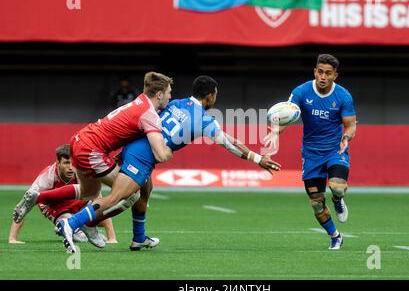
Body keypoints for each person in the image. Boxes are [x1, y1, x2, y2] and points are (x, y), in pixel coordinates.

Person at [90, 75, 282, 251]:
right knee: (120, 197)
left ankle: (139, 238)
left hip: (135, 147)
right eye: (215, 94)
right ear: (209, 96)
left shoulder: (175, 103)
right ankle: (80, 223)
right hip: (145, 155)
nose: (216, 98)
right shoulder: (205, 120)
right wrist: (258, 158)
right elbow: (230, 143)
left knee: (146, 190)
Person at [13, 71, 174, 252]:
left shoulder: (139, 101)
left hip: (80, 139)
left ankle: (38, 197)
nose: (170, 96)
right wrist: (174, 147)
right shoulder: (149, 114)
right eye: (169, 92)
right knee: (132, 194)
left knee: (89, 193)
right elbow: (160, 154)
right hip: (92, 150)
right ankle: (85, 224)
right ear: (159, 94)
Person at [264, 54, 357, 250]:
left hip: (334, 149)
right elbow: (287, 116)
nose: (323, 76)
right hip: (311, 153)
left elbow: (350, 125)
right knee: (316, 203)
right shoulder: (301, 91)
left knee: (338, 187)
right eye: (320, 72)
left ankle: (338, 200)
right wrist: (275, 131)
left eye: (328, 73)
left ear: (335, 75)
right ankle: (335, 236)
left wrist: (346, 137)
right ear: (315, 71)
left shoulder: (343, 96)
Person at [8, 144, 117, 245]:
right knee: (81, 237)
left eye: (72, 163)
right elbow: (26, 204)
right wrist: (12, 238)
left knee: (98, 211)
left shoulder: (80, 170)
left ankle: (73, 226)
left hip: (76, 201)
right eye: (66, 163)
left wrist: (112, 238)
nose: (70, 167)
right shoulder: (47, 177)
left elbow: (99, 200)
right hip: (55, 206)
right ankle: (68, 225)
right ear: (58, 163)